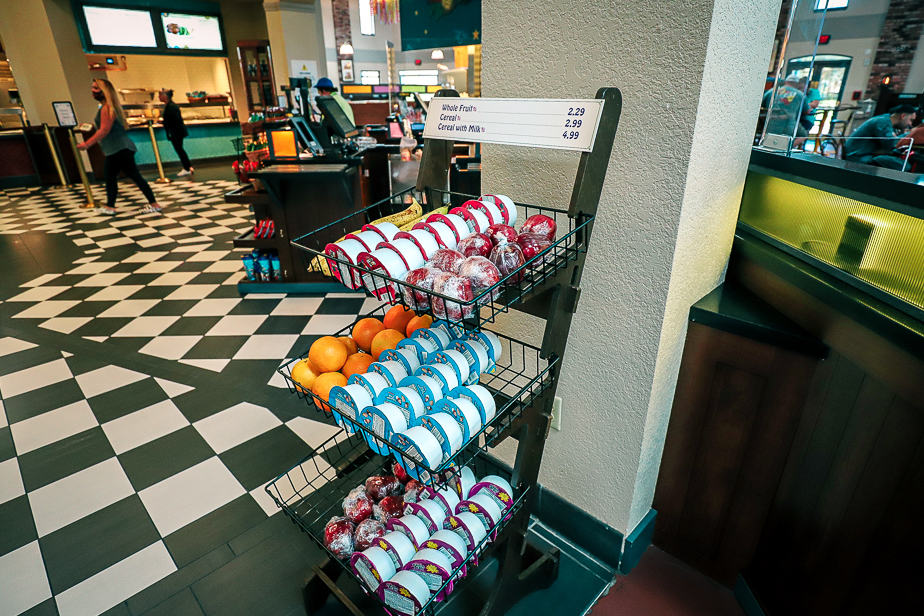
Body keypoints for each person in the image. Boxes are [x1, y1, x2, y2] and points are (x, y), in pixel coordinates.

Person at [77, 79, 162, 215]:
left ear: (104, 91)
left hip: (118, 148)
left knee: (119, 176)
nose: (93, 91)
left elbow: (104, 130)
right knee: (120, 176)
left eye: (96, 88)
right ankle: (114, 205)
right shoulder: (108, 107)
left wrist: (87, 144)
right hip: (118, 148)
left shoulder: (107, 108)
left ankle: (149, 204)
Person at [844, 104, 917, 170]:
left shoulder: (884, 119)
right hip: (857, 157)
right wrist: (911, 133)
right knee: (904, 165)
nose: (910, 124)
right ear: (903, 116)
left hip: (859, 154)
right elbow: (891, 144)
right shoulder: (883, 122)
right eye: (911, 120)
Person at [761, 72, 808, 143]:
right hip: (788, 125)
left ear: (786, 81)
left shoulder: (772, 91)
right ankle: (788, 148)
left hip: (769, 124)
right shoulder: (800, 95)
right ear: (797, 84)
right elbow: (806, 110)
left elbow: (762, 104)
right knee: (803, 135)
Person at [159, 89, 193, 177]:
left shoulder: (171, 106)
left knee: (179, 150)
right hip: (177, 131)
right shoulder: (171, 105)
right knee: (180, 149)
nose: (159, 97)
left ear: (165, 96)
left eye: (160, 95)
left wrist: (162, 122)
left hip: (176, 132)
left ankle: (187, 168)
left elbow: (172, 120)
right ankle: (188, 166)